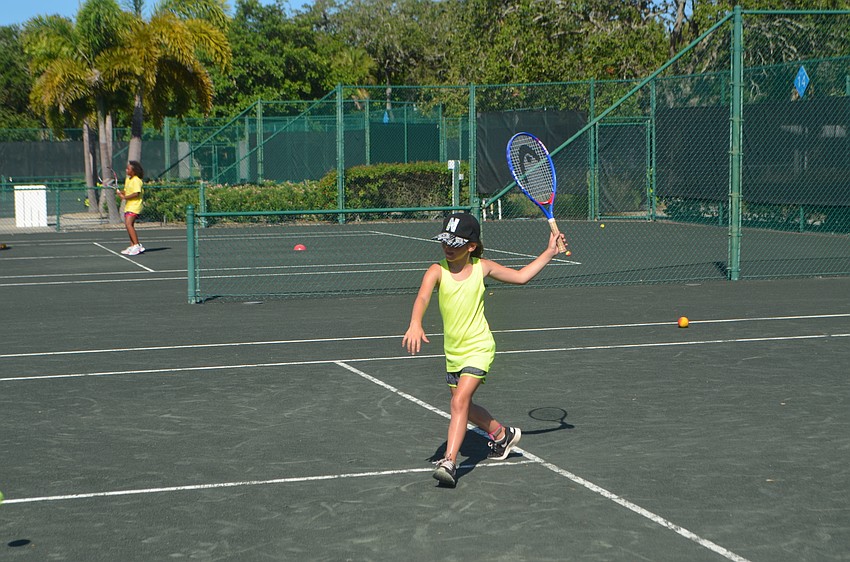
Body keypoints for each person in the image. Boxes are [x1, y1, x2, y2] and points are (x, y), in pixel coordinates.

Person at [402, 212, 565, 487]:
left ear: (471, 246)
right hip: (453, 353)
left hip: (479, 347)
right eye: (445, 242)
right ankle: (502, 436)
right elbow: (421, 296)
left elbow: (521, 276)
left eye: (455, 244)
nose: (448, 248)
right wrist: (415, 322)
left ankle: (450, 462)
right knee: (465, 405)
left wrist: (549, 252)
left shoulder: (483, 268)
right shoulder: (436, 270)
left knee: (458, 403)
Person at [116, 161, 145, 256]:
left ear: (134, 171)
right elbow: (127, 191)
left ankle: (137, 245)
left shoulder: (137, 180)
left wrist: (124, 197)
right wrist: (121, 193)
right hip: (129, 206)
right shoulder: (128, 179)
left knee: (128, 224)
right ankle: (132, 245)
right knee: (129, 225)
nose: (126, 170)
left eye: (128, 169)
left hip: (135, 206)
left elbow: (136, 193)